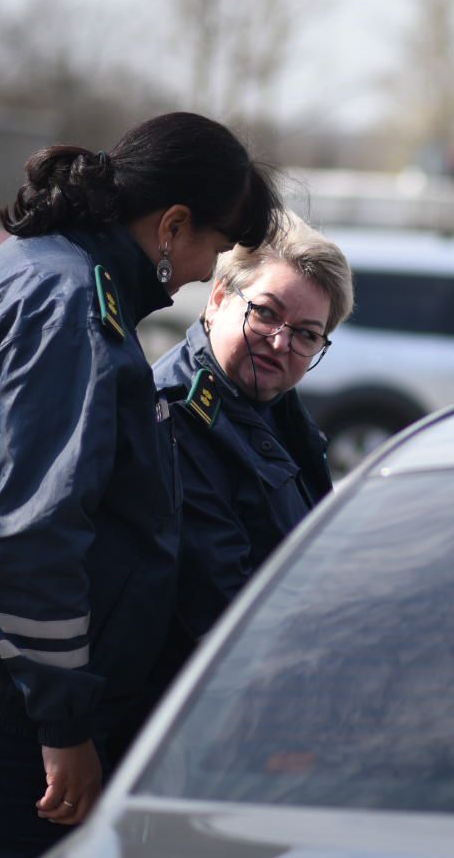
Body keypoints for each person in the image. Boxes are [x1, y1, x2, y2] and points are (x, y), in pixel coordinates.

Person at [0, 111, 280, 858]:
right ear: (171, 226)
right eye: (216, 245)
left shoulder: (41, 265)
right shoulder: (71, 308)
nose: (210, 272)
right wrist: (66, 726)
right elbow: (28, 542)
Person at [142, 213, 353, 705]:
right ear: (217, 300)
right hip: (203, 714)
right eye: (265, 313)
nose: (281, 342)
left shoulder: (270, 407)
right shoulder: (176, 414)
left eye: (306, 335)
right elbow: (221, 607)